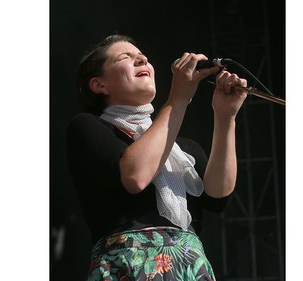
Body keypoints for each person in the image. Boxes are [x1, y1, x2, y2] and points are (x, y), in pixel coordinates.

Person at [67, 34, 247, 281]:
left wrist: (225, 117)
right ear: (99, 85)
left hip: (189, 268)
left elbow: (218, 195)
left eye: (143, 56)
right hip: (128, 267)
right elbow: (135, 176)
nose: (141, 59)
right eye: (125, 57)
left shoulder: (183, 150)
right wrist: (179, 99)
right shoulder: (88, 128)